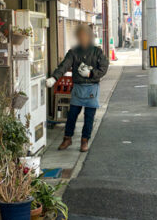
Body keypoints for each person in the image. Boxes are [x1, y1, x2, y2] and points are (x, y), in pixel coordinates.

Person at [46, 24, 109, 152]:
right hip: (78, 87)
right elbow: (64, 66)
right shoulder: (73, 52)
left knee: (89, 117)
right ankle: (67, 138)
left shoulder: (97, 52)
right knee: (72, 115)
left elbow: (103, 67)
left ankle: (84, 141)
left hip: (92, 88)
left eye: (85, 35)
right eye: (80, 36)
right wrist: (54, 78)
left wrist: (91, 74)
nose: (82, 38)